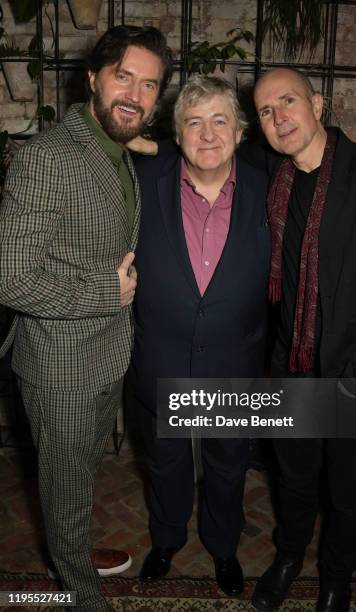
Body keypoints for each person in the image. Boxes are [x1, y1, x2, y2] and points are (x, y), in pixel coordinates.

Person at [0, 25, 172, 612]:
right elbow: (10, 278)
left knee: (75, 479)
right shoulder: (48, 158)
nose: (136, 94)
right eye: (123, 76)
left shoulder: (116, 148)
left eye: (149, 85)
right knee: (65, 484)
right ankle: (80, 593)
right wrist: (108, 289)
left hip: (106, 355)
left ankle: (69, 548)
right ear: (93, 77)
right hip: (61, 365)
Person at [251, 67, 356, 612]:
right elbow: (203, 151)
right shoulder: (273, 174)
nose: (278, 118)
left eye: (288, 102)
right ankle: (289, 556)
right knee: (293, 477)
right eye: (266, 111)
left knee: (349, 489)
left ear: (319, 103)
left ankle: (335, 577)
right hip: (291, 363)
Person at [126, 75, 271, 596]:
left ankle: (224, 546)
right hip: (161, 357)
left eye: (219, 121)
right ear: (176, 132)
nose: (207, 134)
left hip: (235, 360)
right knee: (164, 461)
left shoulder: (269, 186)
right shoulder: (142, 179)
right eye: (193, 122)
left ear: (239, 131)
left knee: (228, 465)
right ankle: (165, 539)